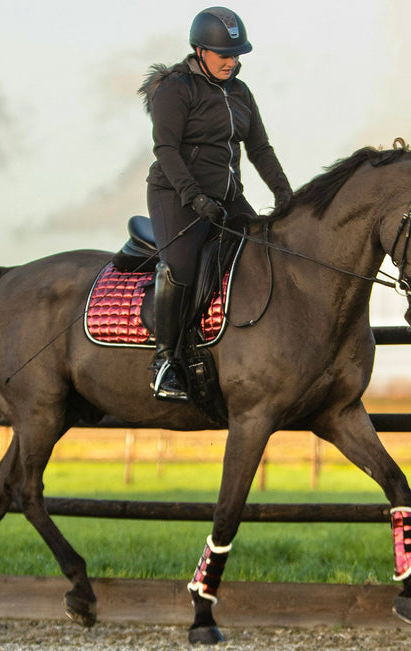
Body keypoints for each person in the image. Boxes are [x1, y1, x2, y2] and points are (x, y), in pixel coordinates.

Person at [140, 6, 292, 402]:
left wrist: (285, 194)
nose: (232, 61)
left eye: (237, 54)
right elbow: (166, 150)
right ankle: (166, 362)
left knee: (268, 249)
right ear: (199, 50)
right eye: (224, 54)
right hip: (175, 195)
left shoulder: (240, 93)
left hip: (226, 198)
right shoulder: (176, 90)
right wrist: (193, 197)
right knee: (182, 267)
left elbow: (259, 147)